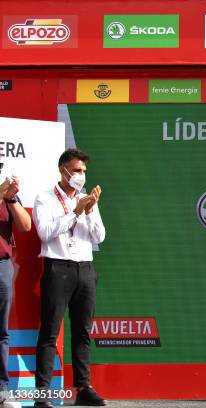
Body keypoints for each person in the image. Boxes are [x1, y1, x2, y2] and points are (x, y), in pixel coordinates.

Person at [32, 149, 106, 407]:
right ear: (63, 170)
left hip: (85, 269)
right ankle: (42, 394)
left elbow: (100, 237)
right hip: (58, 267)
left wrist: (88, 211)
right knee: (50, 332)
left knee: (83, 332)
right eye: (76, 171)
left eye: (83, 171)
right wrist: (74, 211)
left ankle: (83, 388)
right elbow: (45, 232)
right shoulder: (45, 198)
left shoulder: (87, 200)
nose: (80, 176)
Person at [0, 162, 32, 408]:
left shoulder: (7, 194)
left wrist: (10, 200)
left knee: (1, 331)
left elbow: (25, 225)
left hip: (2, 265)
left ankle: (1, 390)